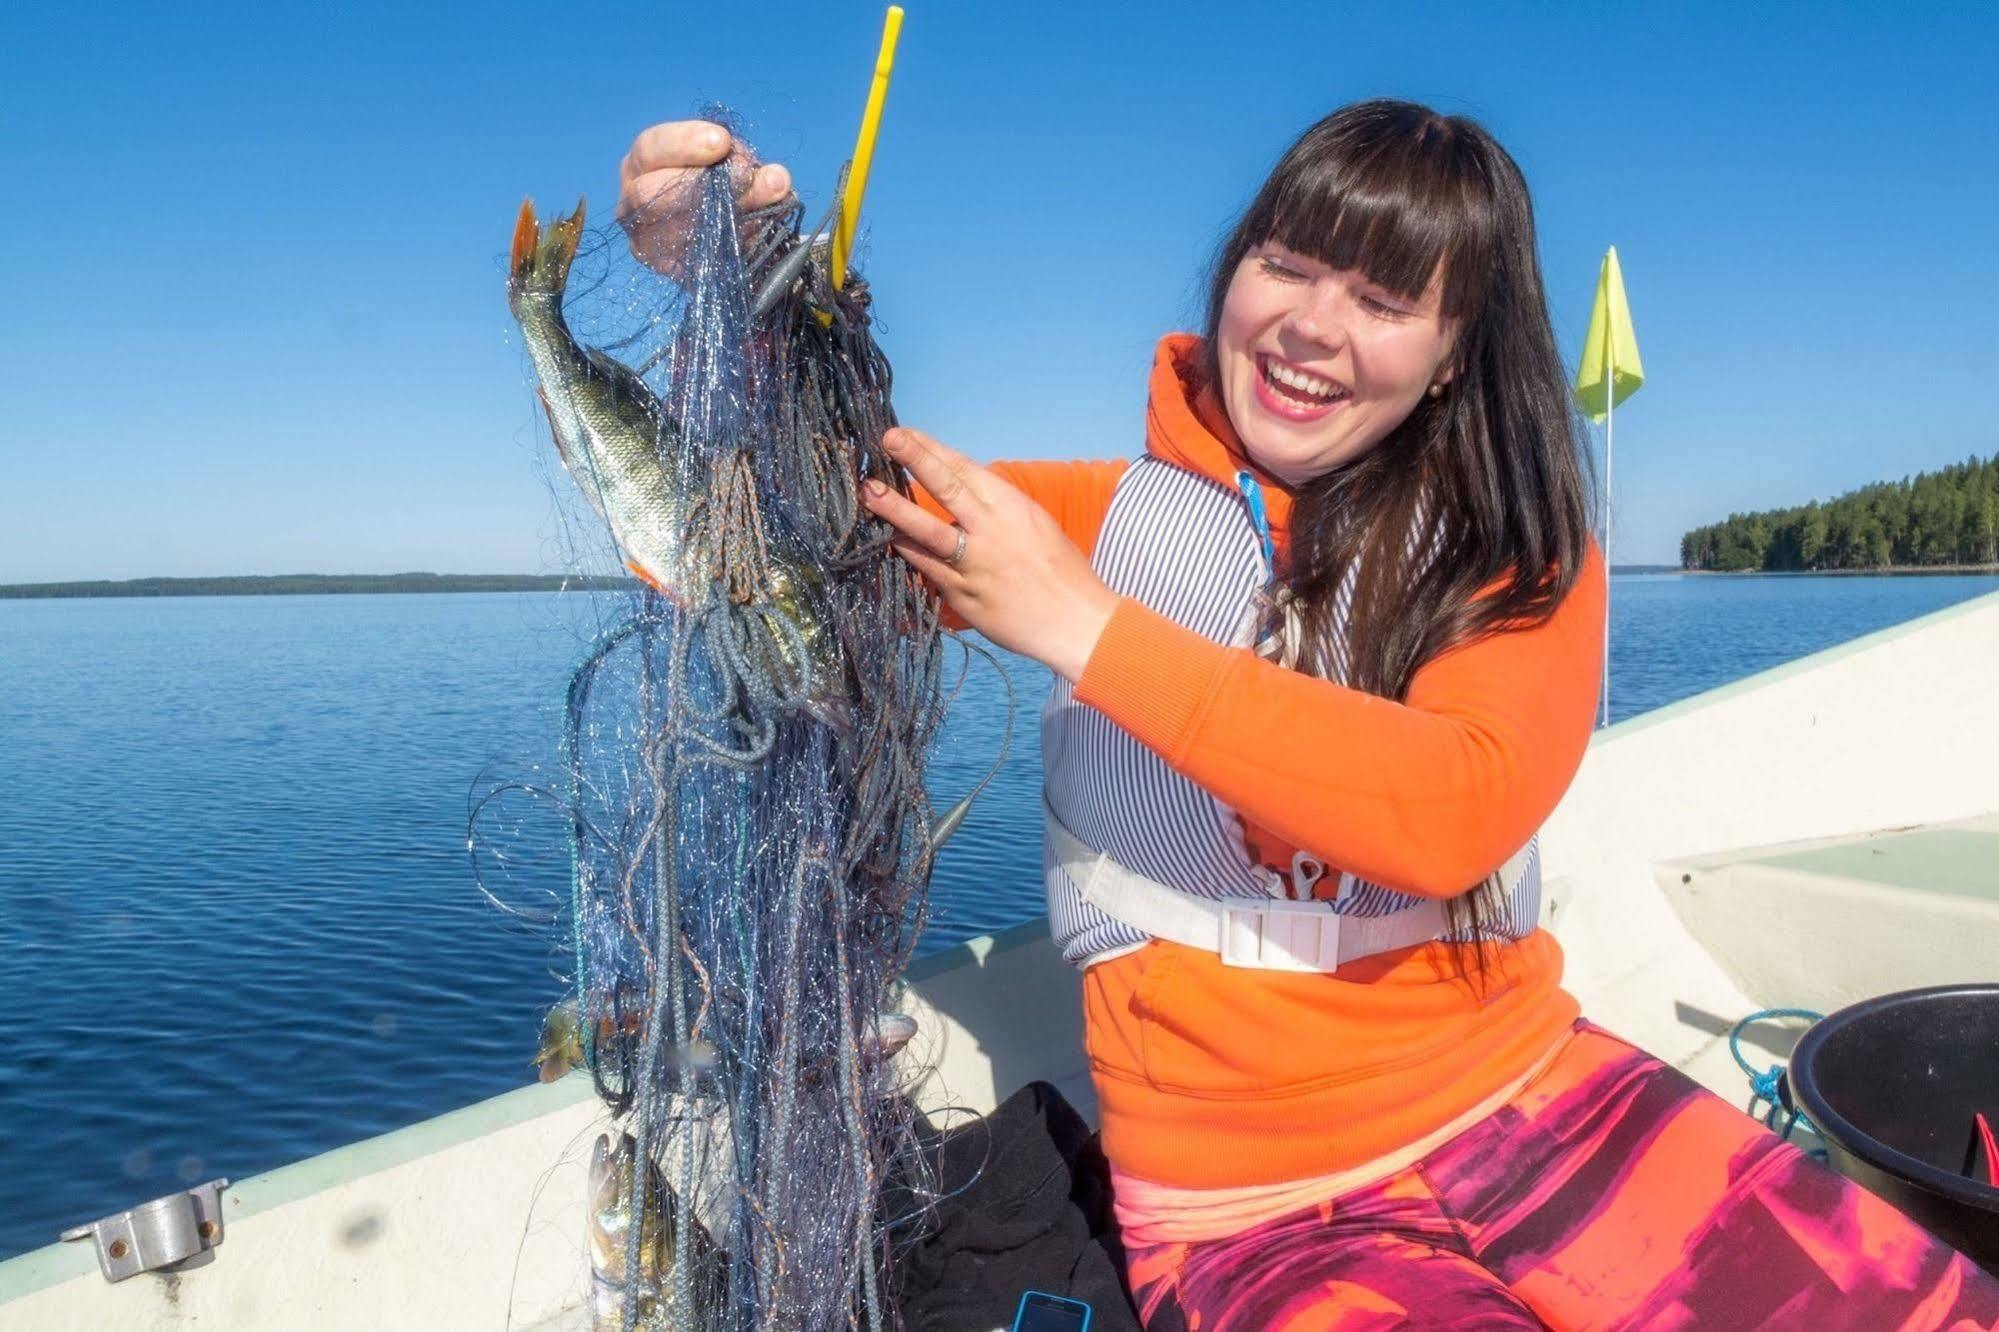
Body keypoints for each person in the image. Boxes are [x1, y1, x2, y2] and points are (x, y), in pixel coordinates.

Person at [618, 103, 1999, 1329]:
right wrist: (730, 296)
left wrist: (1079, 627)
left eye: (1388, 297)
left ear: (1459, 353)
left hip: (1538, 1095)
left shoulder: (1512, 546)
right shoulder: (1093, 521)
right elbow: (757, 552)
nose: (1311, 325)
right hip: (1246, 1202)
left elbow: (1452, 812)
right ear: (1232, 274)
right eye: (1287, 263)